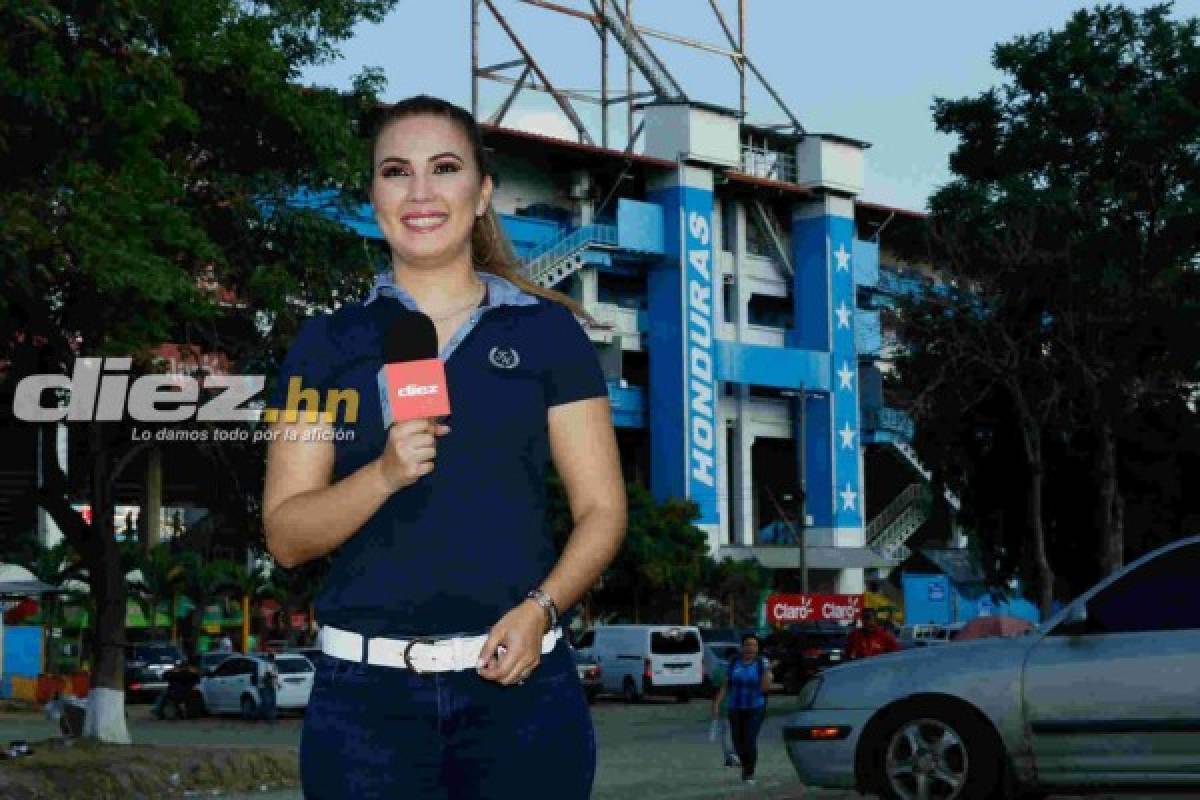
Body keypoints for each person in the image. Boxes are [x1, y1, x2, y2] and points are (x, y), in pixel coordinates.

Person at [262, 94, 626, 799]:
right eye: (396, 172)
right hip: (364, 713)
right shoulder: (325, 345)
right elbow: (286, 535)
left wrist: (540, 610)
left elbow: (602, 511)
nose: (421, 192)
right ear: (374, 196)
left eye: (445, 168)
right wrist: (385, 474)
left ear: (482, 190)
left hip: (521, 699)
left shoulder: (548, 336)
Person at [711, 634, 771, 785]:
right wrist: (716, 704)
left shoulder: (760, 664)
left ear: (757, 648)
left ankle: (749, 773)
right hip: (735, 708)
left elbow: (765, 688)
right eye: (748, 645)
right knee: (738, 742)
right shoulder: (734, 663)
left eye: (754, 645)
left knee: (749, 741)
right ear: (742, 647)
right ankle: (745, 765)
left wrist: (767, 673)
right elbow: (725, 686)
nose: (751, 648)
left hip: (755, 708)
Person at [707, 658, 739, 768]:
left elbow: (716, 689)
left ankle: (729, 758)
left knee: (726, 733)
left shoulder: (718, 670)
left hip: (725, 707)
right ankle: (734, 756)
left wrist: (715, 705)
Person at [259, 653, 279, 724]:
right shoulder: (263, 665)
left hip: (272, 686)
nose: (272, 660)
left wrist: (277, 683)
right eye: (271, 658)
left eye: (273, 658)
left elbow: (276, 676)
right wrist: (270, 675)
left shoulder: (274, 666)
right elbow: (262, 676)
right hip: (265, 687)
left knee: (273, 702)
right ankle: (268, 719)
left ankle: (273, 718)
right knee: (267, 703)